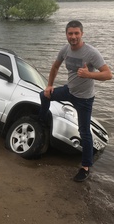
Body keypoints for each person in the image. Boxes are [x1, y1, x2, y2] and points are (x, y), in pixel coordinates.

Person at [39, 20, 112, 182]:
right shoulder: (65, 50)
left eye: (76, 33)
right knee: (43, 95)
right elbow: (55, 67)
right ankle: (42, 121)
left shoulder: (91, 53)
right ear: (66, 34)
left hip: (85, 99)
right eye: (70, 33)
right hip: (69, 91)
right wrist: (49, 85)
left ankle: (85, 167)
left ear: (82, 34)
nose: (73, 36)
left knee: (84, 132)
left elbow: (108, 74)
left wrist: (89, 75)